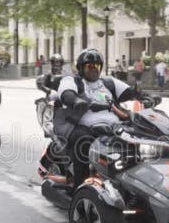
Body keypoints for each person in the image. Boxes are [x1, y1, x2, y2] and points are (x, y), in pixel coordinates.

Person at [55, 48, 139, 190]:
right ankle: (80, 187)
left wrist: (144, 96)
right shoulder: (73, 80)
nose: (93, 69)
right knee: (83, 141)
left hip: (113, 127)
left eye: (97, 66)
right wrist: (76, 100)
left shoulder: (108, 82)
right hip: (82, 126)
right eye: (89, 66)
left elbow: (129, 92)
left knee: (136, 143)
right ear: (80, 68)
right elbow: (66, 93)